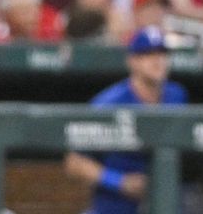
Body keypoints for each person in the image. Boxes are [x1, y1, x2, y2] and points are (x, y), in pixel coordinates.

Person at [64, 26, 189, 214]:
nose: (157, 61)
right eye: (147, 54)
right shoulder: (108, 103)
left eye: (162, 54)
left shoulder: (177, 96)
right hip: (114, 205)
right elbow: (74, 163)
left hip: (165, 203)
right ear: (132, 61)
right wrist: (119, 181)